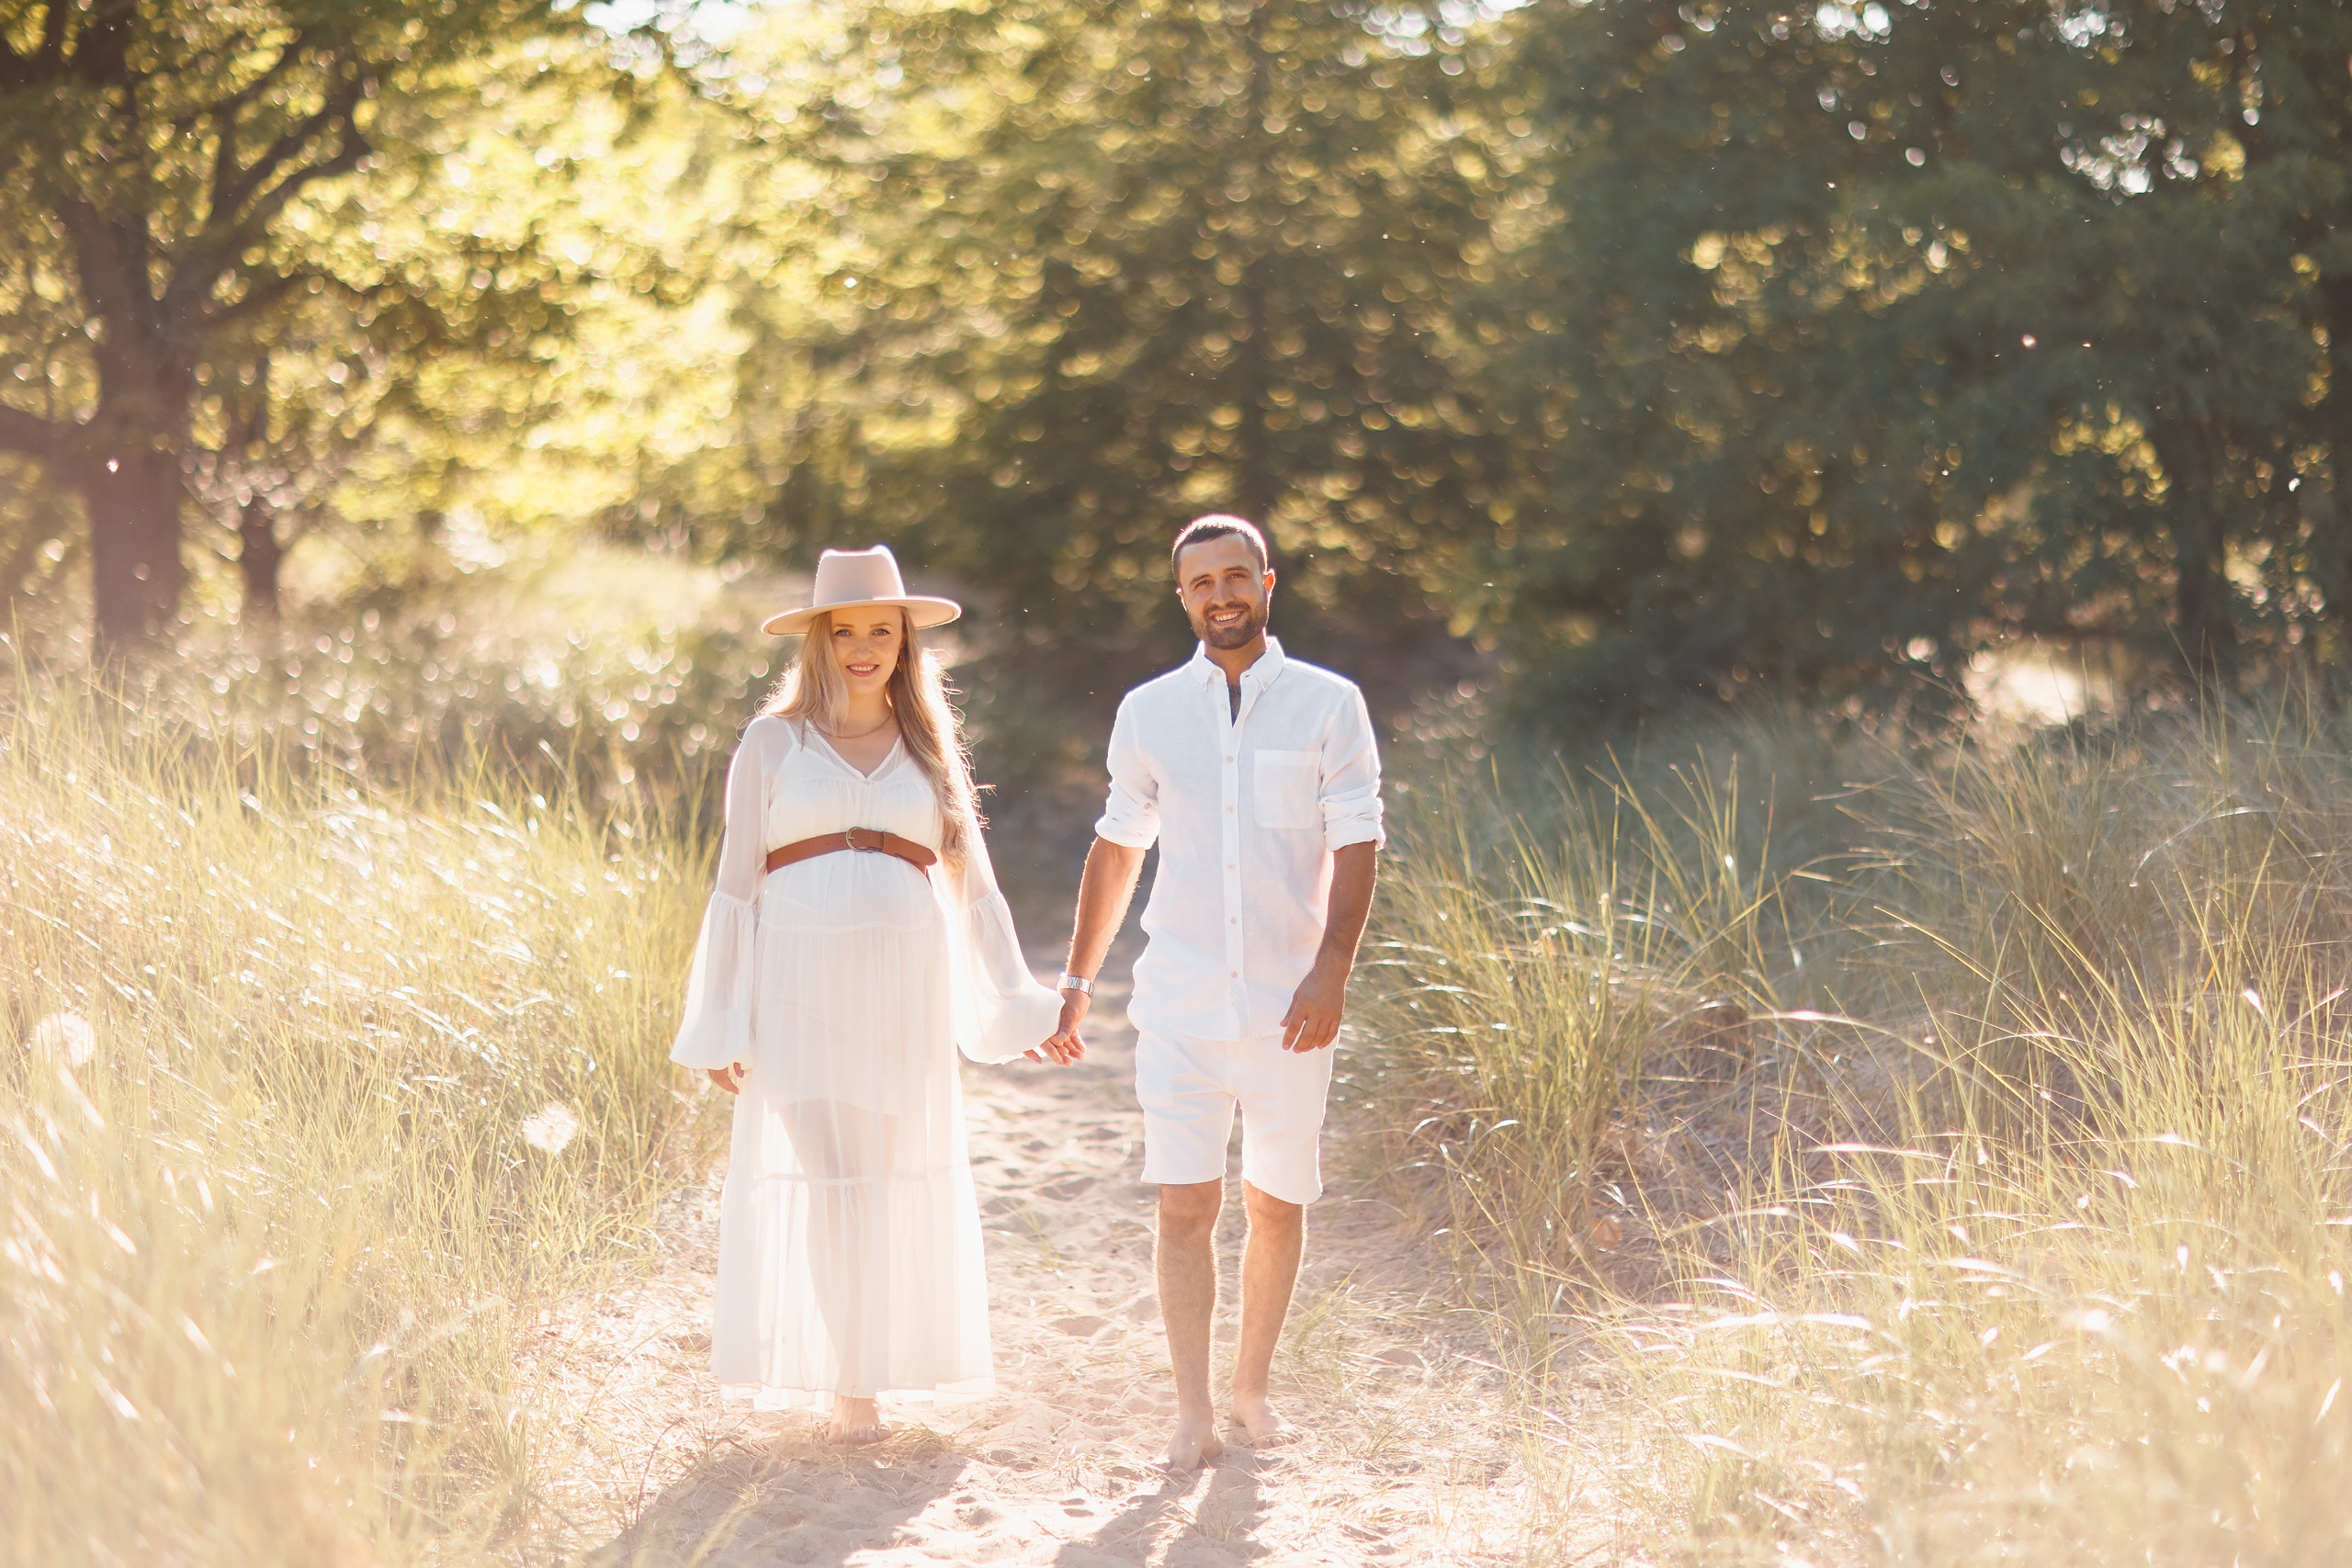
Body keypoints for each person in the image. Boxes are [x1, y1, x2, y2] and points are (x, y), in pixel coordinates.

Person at [668, 545, 1073, 1446]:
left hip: (902, 987)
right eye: (844, 631)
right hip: (798, 981)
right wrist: (721, 1020)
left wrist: (1021, 1002)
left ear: (902, 641)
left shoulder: (928, 750)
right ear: (818, 640)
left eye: (879, 632)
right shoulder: (772, 743)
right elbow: (735, 885)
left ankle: (860, 1370)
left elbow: (974, 884)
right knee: (830, 1180)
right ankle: (852, 1391)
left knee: (878, 1186)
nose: (862, 648)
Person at [1046, 514, 1383, 1471]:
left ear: (1267, 584)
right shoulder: (1149, 711)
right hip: (1180, 1003)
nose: (1221, 595)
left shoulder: (1328, 703)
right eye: (1202, 583)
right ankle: (1191, 1407)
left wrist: (1331, 970)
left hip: (1292, 1008)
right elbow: (1118, 845)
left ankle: (1250, 1389)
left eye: (1237, 577)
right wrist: (1076, 979)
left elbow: (1357, 837)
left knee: (1277, 1202)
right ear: (1182, 596)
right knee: (1184, 1205)